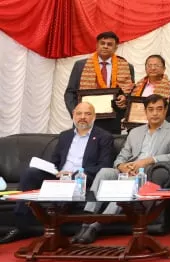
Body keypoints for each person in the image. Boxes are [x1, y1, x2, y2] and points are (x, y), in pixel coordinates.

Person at [73, 94, 170, 244]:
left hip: (146, 175)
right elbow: (121, 157)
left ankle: (95, 226)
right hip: (127, 172)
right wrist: (122, 166)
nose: (155, 113)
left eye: (159, 109)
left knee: (125, 185)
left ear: (165, 111)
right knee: (105, 172)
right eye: (151, 109)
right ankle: (85, 222)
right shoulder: (135, 132)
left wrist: (148, 160)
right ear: (145, 111)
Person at [0, 103, 114, 244]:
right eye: (79, 113)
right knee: (30, 173)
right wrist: (54, 170)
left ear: (94, 117)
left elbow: (104, 166)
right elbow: (55, 161)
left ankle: (55, 226)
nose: (83, 117)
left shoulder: (104, 137)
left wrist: (74, 173)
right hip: (59, 175)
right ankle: (21, 225)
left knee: (72, 179)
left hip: (82, 176)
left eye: (87, 113)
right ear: (73, 116)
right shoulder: (65, 136)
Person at [64, 30, 135, 134]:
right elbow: (70, 92)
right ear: (97, 45)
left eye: (109, 44)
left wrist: (125, 98)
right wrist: (75, 112)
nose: (105, 46)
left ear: (116, 48)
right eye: (102, 43)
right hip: (85, 117)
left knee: (109, 144)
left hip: (112, 119)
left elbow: (131, 92)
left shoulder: (126, 66)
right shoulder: (81, 65)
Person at [130, 55, 170, 124]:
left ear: (164, 69)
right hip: (138, 125)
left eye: (156, 65)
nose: (153, 68)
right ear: (145, 69)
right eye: (149, 66)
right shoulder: (137, 86)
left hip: (164, 127)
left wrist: (165, 123)